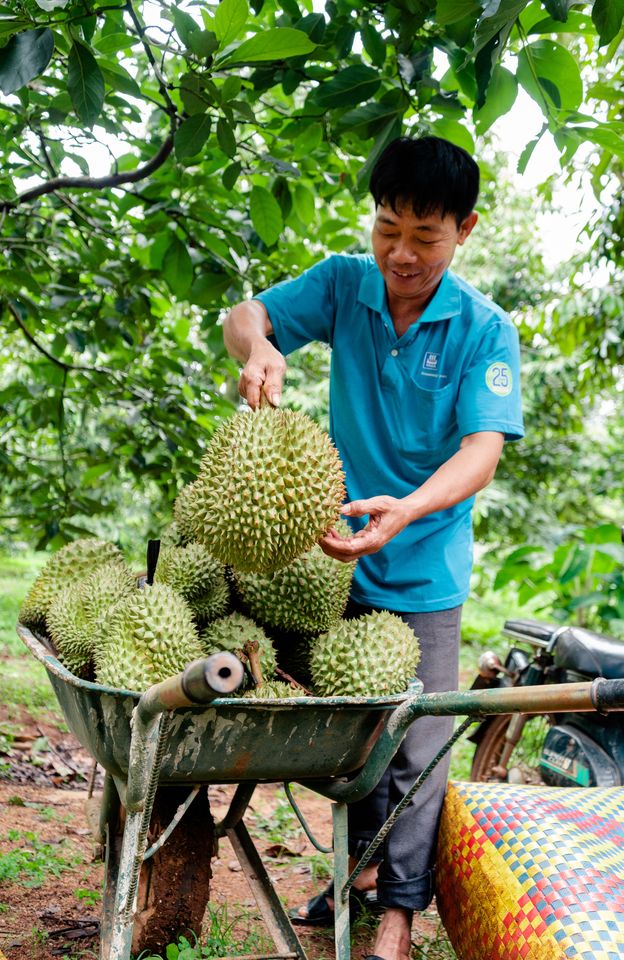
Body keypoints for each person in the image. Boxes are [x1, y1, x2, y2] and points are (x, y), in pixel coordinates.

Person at [222, 135, 524, 960]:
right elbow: (242, 315)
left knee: (418, 749)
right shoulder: (343, 285)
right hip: (330, 559)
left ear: (464, 229)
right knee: (355, 740)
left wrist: (409, 508)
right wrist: (260, 348)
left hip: (424, 568)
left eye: (425, 236)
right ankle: (355, 869)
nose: (400, 252)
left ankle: (396, 915)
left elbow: (481, 452)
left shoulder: (484, 331)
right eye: (388, 227)